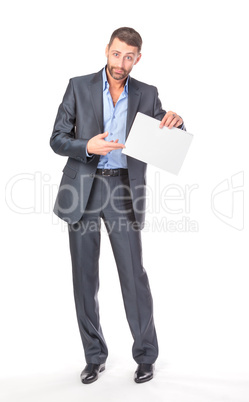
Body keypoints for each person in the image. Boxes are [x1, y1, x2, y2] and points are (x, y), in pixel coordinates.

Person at [50, 27, 186, 384]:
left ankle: (145, 356)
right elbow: (57, 138)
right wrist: (86, 146)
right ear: (106, 51)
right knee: (85, 279)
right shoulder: (78, 86)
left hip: (122, 193)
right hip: (83, 192)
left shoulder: (147, 93)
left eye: (129, 56)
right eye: (116, 54)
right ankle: (94, 356)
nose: (120, 62)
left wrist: (177, 123)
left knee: (133, 276)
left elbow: (164, 137)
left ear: (137, 58)